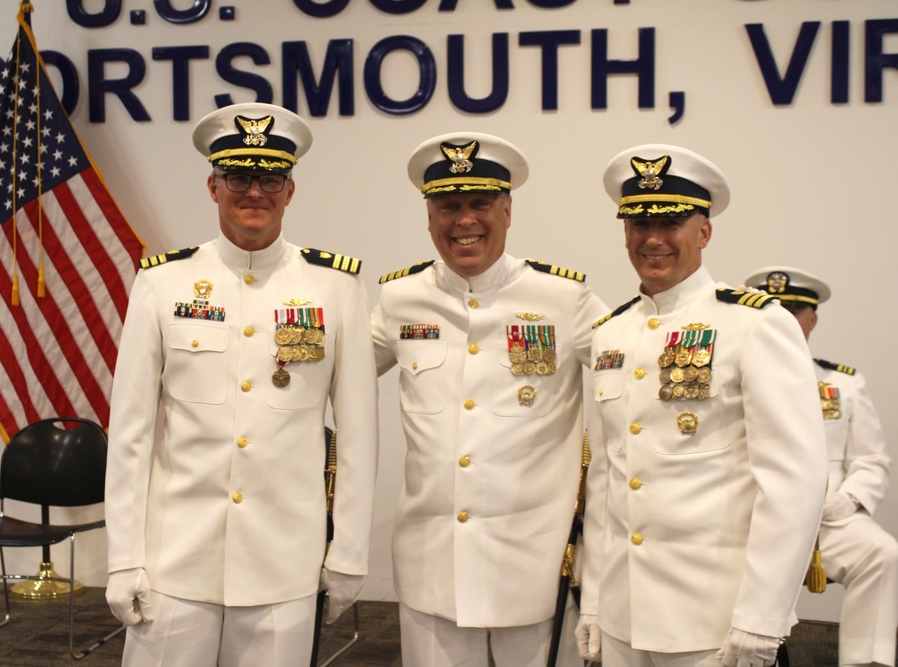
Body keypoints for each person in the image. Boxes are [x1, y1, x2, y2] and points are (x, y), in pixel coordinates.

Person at [103, 102, 379, 667]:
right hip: (175, 561)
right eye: (238, 176)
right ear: (213, 186)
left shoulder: (335, 287)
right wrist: (123, 557)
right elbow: (130, 434)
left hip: (283, 566)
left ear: (290, 190)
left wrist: (347, 552)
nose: (255, 191)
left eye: (270, 177)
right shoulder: (162, 282)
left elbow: (357, 437)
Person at [577, 144, 827, 667]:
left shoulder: (755, 323)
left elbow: (792, 482)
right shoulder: (610, 334)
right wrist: (596, 602)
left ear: (704, 232)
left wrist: (762, 617)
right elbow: (606, 481)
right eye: (638, 222)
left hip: (713, 619)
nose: (652, 238)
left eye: (670, 222)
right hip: (625, 616)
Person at [371, 132, 607, 667]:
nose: (464, 221)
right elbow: (327, 374)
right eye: (448, 206)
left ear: (507, 209)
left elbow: (636, 369)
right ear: (428, 215)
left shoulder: (563, 299)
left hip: (534, 568)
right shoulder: (400, 299)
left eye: (480, 204)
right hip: (432, 570)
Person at [745, 266, 898, 667]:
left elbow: (871, 459)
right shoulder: (731, 375)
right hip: (752, 520)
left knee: (881, 554)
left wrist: (849, 501)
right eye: (774, 308)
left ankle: (867, 661)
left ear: (812, 318)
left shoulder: (844, 384)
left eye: (795, 310)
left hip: (829, 522)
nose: (785, 319)